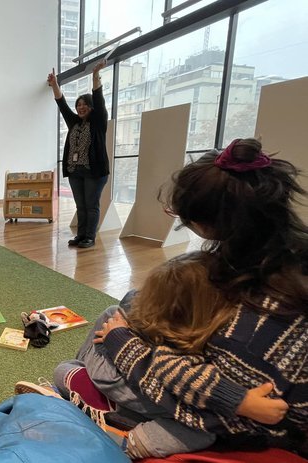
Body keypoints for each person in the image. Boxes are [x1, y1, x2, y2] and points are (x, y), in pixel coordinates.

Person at [51, 138, 308, 458]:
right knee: (124, 306)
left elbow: (195, 396)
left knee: (73, 362)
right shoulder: (276, 264)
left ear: (208, 223)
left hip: (214, 420)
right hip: (213, 393)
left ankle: (98, 400)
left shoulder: (252, 327)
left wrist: (122, 341)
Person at [48, 60, 109, 248]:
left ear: (91, 107)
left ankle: (90, 237)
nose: (81, 107)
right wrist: (55, 84)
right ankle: (81, 235)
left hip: (94, 172)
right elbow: (62, 104)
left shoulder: (98, 121)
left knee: (91, 205)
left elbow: (98, 98)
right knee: (81, 206)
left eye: (85, 105)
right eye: (78, 105)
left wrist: (95, 75)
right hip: (76, 172)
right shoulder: (74, 122)